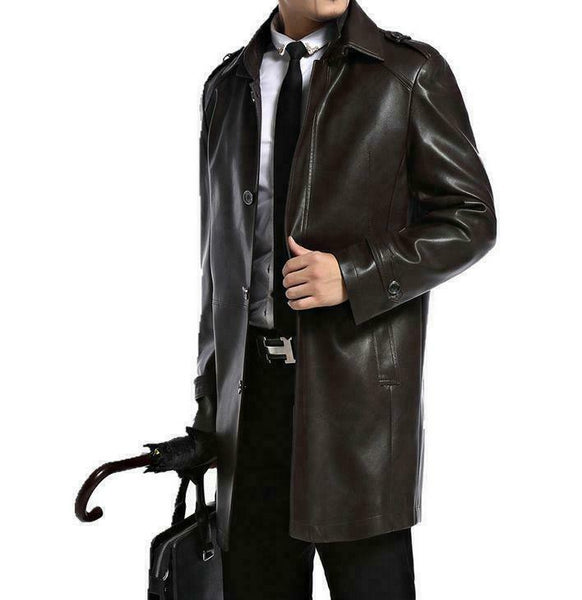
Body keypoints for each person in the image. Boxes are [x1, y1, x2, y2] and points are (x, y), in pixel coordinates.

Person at [146, 0, 496, 597]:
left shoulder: (405, 72)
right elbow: (217, 265)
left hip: (357, 413)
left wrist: (355, 275)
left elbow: (471, 218)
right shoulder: (226, 87)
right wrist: (209, 410)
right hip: (249, 412)